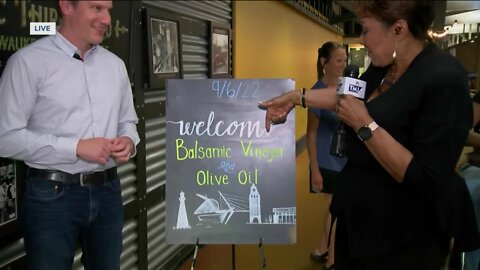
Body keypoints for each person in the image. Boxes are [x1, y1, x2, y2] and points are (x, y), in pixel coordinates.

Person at [260, 1, 480, 269]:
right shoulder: (383, 67)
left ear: (398, 29)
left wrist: (364, 124)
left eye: (366, 31)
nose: (362, 40)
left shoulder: (443, 79)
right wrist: (297, 97)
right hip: (360, 224)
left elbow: (426, 177)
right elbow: (348, 95)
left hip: (401, 238)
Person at [0, 0, 140, 269]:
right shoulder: (28, 63)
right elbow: (5, 137)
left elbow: (129, 122)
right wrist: (75, 147)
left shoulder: (115, 66)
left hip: (108, 191)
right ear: (67, 6)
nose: (107, 18)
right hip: (51, 198)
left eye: (108, 10)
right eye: (96, 8)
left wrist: (128, 142)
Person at [307, 42, 347, 270]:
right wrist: (314, 169)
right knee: (338, 208)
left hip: (343, 157)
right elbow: (310, 133)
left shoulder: (344, 87)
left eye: (344, 60)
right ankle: (332, 258)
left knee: (336, 207)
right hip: (325, 159)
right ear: (325, 63)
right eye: (338, 60)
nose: (343, 65)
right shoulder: (315, 92)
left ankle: (320, 248)